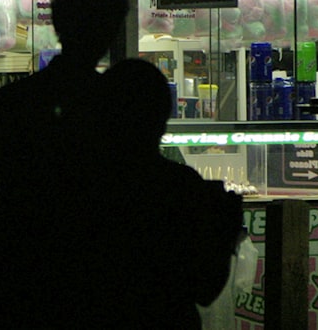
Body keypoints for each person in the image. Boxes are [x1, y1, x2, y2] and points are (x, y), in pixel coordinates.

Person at [0, 0, 130, 328]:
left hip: (21, 296)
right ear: (115, 29)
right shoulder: (119, 111)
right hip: (99, 298)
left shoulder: (9, 105)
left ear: (56, 24)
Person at [100, 58, 244, 328]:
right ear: (163, 117)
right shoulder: (181, 186)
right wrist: (226, 229)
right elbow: (206, 288)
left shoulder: (82, 186)